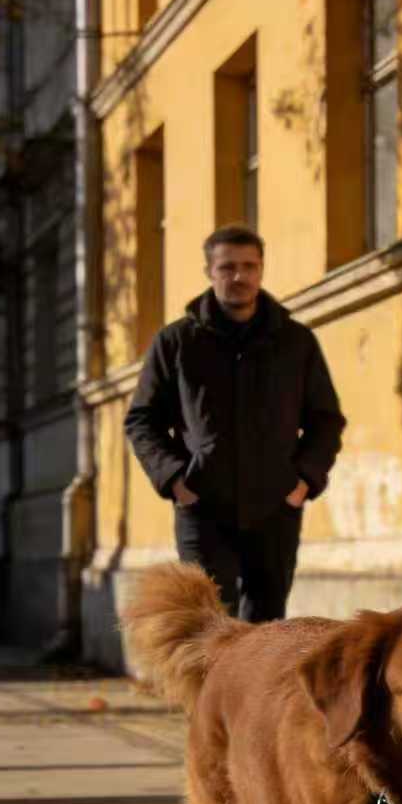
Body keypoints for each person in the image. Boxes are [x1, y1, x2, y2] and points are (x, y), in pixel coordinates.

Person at [124, 224, 346, 622]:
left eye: (249, 266)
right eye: (227, 267)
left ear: (262, 270)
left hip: (275, 507)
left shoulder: (296, 342)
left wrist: (302, 482)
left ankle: (255, 690)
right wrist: (177, 479)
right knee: (206, 625)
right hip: (202, 506)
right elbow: (142, 420)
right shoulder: (176, 342)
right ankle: (206, 689)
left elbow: (325, 421)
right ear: (209, 271)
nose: (239, 277)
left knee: (267, 628)